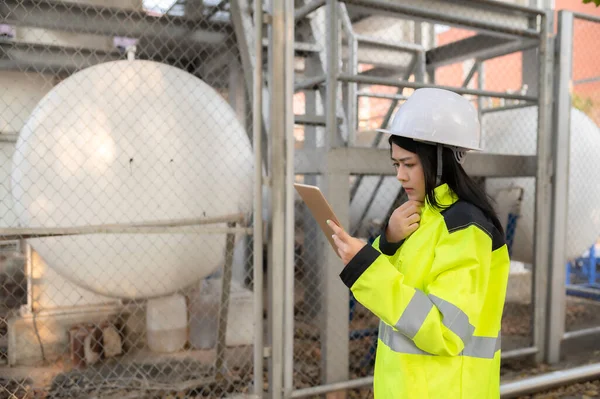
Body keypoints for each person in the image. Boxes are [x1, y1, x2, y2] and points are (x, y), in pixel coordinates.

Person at [327, 88, 510, 399]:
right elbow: (404, 295)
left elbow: (445, 330)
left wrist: (367, 267)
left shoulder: (464, 228)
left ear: (440, 161)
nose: (400, 175)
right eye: (396, 164)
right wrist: (388, 242)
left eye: (408, 164)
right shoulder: (424, 216)